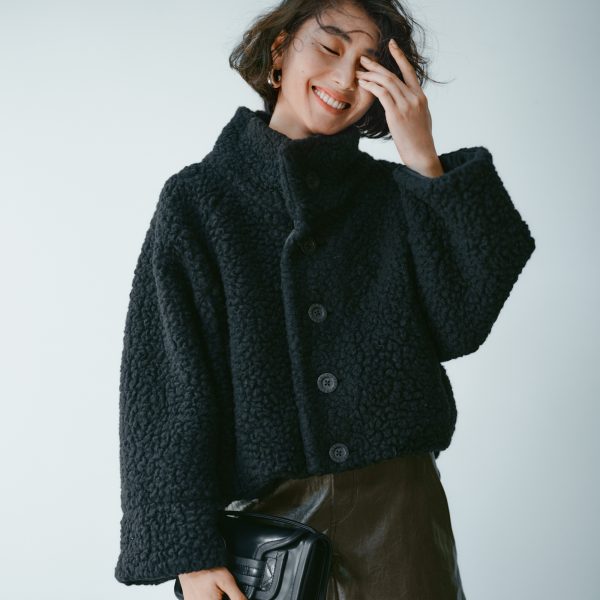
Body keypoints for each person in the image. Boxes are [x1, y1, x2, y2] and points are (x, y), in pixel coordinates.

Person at [114, 1, 536, 598]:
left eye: (367, 67)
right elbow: (165, 385)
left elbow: (462, 322)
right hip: (263, 533)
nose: (344, 79)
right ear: (280, 50)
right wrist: (188, 553)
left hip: (401, 522)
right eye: (331, 47)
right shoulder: (200, 202)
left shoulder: (392, 196)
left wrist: (424, 159)